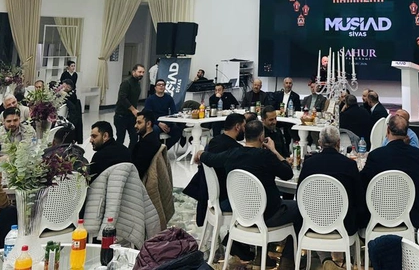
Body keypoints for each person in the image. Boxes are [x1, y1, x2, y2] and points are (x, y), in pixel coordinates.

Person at [198, 119, 300, 259]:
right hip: (268, 214)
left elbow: (210, 158)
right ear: (261, 137)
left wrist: (200, 154)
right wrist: (274, 150)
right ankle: (287, 259)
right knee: (300, 208)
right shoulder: (266, 156)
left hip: (240, 211)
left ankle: (258, 253)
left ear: (245, 135)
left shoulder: (232, 154)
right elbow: (288, 174)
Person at [298, 125, 366, 235]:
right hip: (344, 224)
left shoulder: (309, 164)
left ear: (320, 143)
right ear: (338, 143)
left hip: (313, 222)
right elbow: (359, 197)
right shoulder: (349, 165)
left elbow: (300, 193)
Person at [362, 114, 419, 227]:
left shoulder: (376, 155)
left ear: (387, 131)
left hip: (379, 214)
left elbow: (364, 181)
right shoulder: (418, 155)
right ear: (406, 133)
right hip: (410, 213)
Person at [114, 64, 144, 147]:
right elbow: (122, 97)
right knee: (120, 138)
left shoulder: (138, 84)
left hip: (131, 117)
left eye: (143, 72)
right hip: (121, 116)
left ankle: (130, 153)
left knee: (134, 137)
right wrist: (133, 109)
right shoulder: (126, 82)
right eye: (139, 72)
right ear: (133, 72)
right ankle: (118, 154)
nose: (141, 74)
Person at [142, 79, 179, 143]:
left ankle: (165, 147)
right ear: (155, 88)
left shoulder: (169, 98)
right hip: (155, 122)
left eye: (163, 85)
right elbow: (148, 115)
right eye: (159, 85)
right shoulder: (150, 99)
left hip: (166, 121)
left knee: (177, 131)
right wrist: (158, 123)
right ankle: (157, 147)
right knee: (154, 130)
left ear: (165, 87)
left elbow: (174, 112)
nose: (161, 86)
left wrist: (169, 124)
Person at [132, 111, 162, 179]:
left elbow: (138, 169)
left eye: (139, 123)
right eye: (136, 123)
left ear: (148, 124)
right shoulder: (153, 139)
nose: (135, 126)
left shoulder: (147, 145)